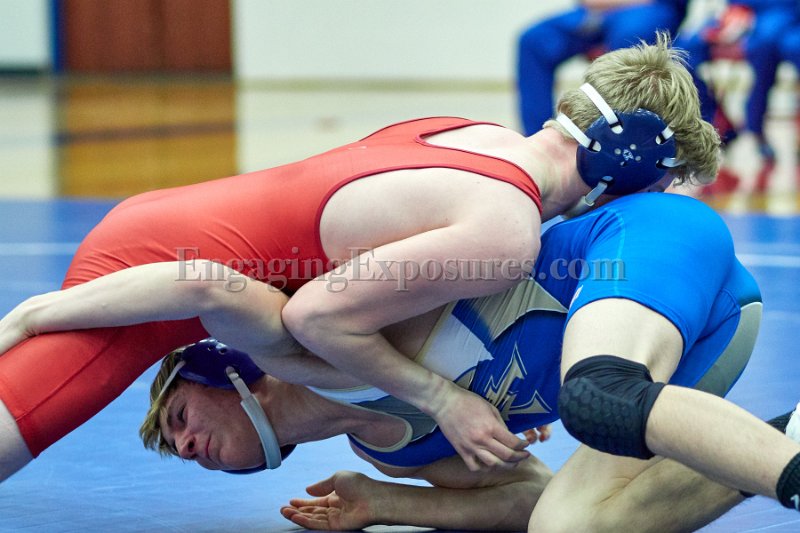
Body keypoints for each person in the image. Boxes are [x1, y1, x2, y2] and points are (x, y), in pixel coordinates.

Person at [0, 33, 720, 481]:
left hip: (171, 236)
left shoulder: (474, 134)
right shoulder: (506, 230)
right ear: (626, 165)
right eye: (653, 189)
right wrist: (446, 400)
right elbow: (317, 317)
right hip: (166, 274)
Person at [7, 192, 800, 532]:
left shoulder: (306, 326)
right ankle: (785, 435)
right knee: (569, 523)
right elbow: (528, 498)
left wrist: (36, 312)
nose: (185, 445)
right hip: (698, 353)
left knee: (596, 392)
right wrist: (386, 501)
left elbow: (199, 280)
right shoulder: (389, 448)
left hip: (642, 253)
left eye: (178, 416)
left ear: (227, 369)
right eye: (177, 446)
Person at [516, 0, 690, 135]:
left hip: (649, 5)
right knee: (534, 40)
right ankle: (539, 136)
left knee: (628, 37)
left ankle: (618, 136)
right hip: (598, 10)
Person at [676, 1, 799, 189]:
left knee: (764, 45)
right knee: (684, 49)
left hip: (780, 14)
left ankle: (755, 129)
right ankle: (714, 121)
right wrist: (734, 17)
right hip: (737, 11)